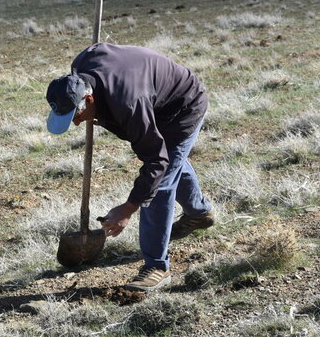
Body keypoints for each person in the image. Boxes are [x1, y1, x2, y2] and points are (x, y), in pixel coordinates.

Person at [46, 43, 213, 291]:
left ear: (89, 98)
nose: (79, 124)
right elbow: (98, 49)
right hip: (151, 98)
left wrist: (128, 208)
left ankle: (156, 267)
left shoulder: (128, 103)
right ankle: (199, 213)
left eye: (78, 116)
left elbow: (156, 161)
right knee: (170, 163)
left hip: (182, 107)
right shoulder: (79, 69)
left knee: (161, 182)